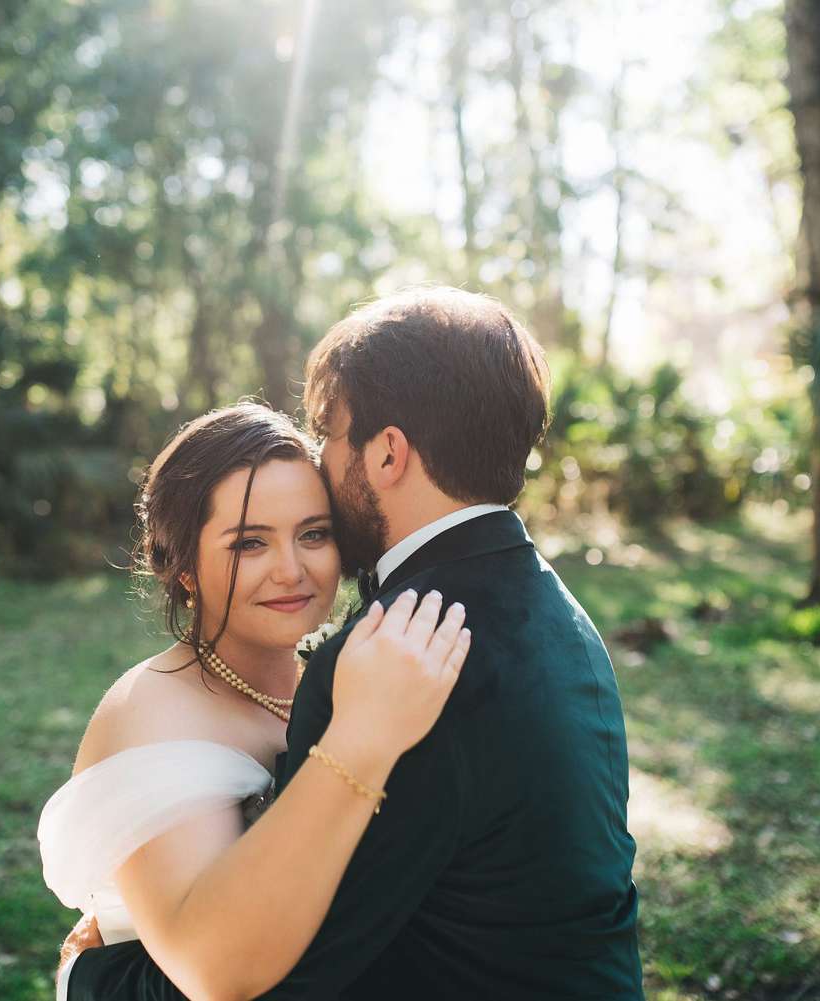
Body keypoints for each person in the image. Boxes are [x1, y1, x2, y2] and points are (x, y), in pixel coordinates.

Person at [61, 286, 644, 1000]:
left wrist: (98, 978)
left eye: (328, 433)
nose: (324, 459)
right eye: (250, 542)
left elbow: (293, 971)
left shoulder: (399, 653)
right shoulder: (562, 615)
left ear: (388, 453)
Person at [38, 403, 471, 1001]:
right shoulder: (151, 715)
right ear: (184, 566)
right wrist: (364, 739)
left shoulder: (329, 675)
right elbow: (214, 972)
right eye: (248, 545)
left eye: (313, 534)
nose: (291, 570)